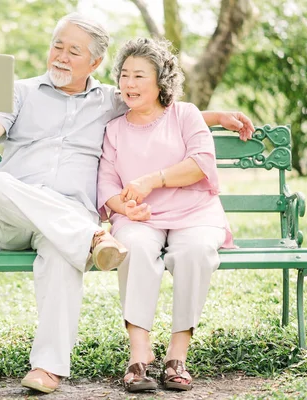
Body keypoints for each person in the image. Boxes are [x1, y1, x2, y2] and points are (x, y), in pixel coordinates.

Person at [0, 13, 253, 394]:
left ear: (96, 63)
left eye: (74, 51)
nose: (61, 56)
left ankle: (48, 369)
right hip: (17, 214)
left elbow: (156, 109)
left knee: (59, 251)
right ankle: (92, 238)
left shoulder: (109, 99)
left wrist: (216, 117)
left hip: (68, 219)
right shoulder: (19, 91)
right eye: (57, 46)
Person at [97, 37, 236, 393]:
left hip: (195, 212)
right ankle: (139, 354)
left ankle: (177, 355)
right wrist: (122, 205)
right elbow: (107, 181)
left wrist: (151, 180)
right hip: (140, 217)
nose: (128, 84)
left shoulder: (185, 114)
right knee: (135, 248)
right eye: (124, 75)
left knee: (194, 252)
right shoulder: (114, 129)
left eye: (139, 76)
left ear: (161, 82)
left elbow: (201, 164)